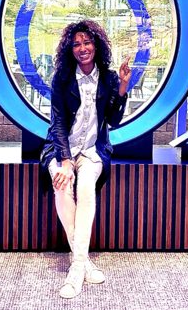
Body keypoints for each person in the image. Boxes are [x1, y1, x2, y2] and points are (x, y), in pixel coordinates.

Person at [39, 20, 131, 299]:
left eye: (87, 42)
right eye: (76, 44)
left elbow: (113, 120)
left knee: (85, 187)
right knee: (61, 184)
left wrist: (124, 86)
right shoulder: (62, 77)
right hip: (61, 148)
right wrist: (64, 161)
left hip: (93, 150)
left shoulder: (109, 77)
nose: (82, 48)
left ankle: (76, 267)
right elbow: (57, 123)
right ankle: (82, 263)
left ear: (97, 45)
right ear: (71, 49)